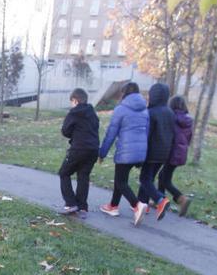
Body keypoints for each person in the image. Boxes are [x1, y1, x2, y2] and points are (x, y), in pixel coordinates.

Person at [98, 82, 149, 227]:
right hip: (141, 152)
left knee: (121, 182)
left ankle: (137, 205)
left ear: (124, 93)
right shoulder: (145, 110)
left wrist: (102, 153)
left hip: (125, 152)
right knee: (121, 179)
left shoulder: (121, 109)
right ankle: (113, 206)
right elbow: (147, 132)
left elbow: (111, 133)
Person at [58, 88, 99, 217]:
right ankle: (82, 206)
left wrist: (73, 134)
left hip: (79, 148)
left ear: (75, 100)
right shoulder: (92, 112)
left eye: (72, 101)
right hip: (93, 149)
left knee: (64, 173)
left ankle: (70, 203)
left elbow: (65, 130)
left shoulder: (74, 112)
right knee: (83, 176)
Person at [137, 83, 176, 221]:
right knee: (149, 179)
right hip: (164, 152)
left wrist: (140, 154)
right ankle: (142, 206)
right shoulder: (170, 113)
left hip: (151, 152)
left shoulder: (151, 113)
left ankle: (160, 200)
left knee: (144, 179)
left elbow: (146, 135)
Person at [158, 95, 194, 217]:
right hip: (181, 153)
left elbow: (168, 134)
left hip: (171, 152)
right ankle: (160, 199)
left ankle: (181, 198)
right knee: (163, 175)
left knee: (165, 179)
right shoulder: (188, 120)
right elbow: (189, 138)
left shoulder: (171, 118)